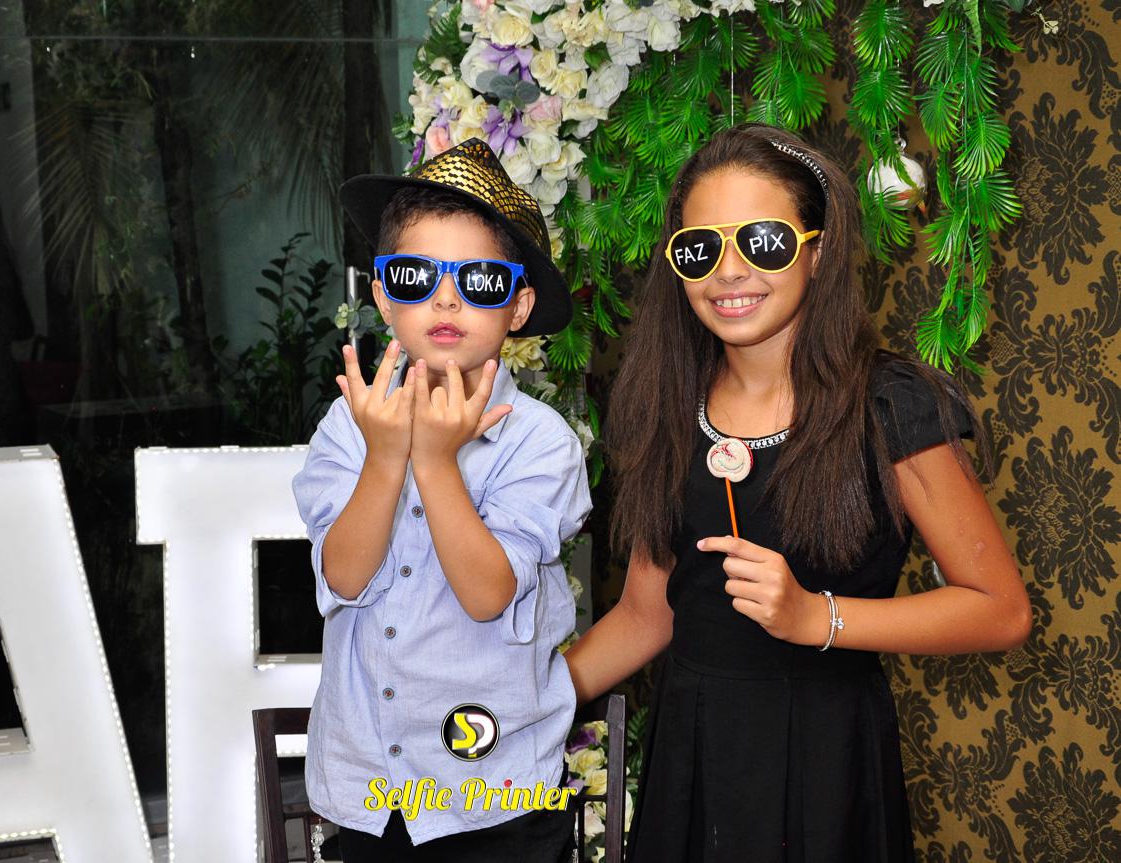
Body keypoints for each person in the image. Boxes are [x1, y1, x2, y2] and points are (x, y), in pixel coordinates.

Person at [561, 123, 1031, 862]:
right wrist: (519, 705)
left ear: (817, 250)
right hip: (694, 757)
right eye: (700, 249)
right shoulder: (663, 404)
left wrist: (818, 616)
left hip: (825, 759)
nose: (729, 272)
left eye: (764, 242)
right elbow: (648, 614)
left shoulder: (890, 404)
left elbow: (1000, 609)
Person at [292, 138, 590, 863]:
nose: (447, 299)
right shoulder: (349, 425)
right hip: (371, 787)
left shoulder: (541, 443)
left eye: (481, 280)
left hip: (500, 795)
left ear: (518, 306)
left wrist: (432, 460)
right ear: (383, 294)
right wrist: (385, 456)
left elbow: (488, 594)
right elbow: (345, 575)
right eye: (417, 275)